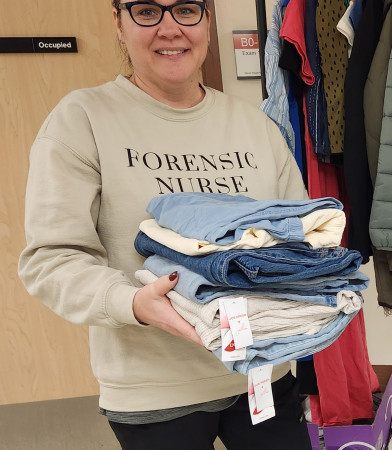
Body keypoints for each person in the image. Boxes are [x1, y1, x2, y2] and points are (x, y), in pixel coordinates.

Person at [17, 1, 312, 449]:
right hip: (154, 389)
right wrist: (131, 302)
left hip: (261, 372)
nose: (170, 28)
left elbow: (303, 234)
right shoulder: (83, 120)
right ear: (118, 22)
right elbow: (51, 259)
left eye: (187, 10)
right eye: (148, 11)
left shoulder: (254, 126)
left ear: (207, 21)